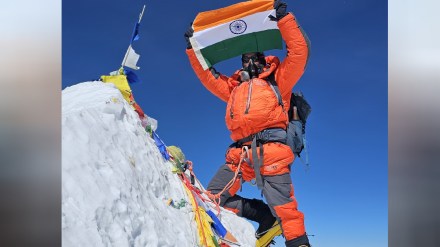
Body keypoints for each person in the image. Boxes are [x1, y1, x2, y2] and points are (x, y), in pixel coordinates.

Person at [184, 1, 311, 246]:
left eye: (256, 58)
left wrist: (283, 20)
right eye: (246, 59)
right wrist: (192, 48)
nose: (251, 63)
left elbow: (299, 53)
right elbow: (207, 75)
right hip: (239, 156)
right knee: (213, 199)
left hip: (272, 152)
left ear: (263, 60)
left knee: (286, 211)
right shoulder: (233, 89)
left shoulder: (278, 81)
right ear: (241, 63)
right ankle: (263, 217)